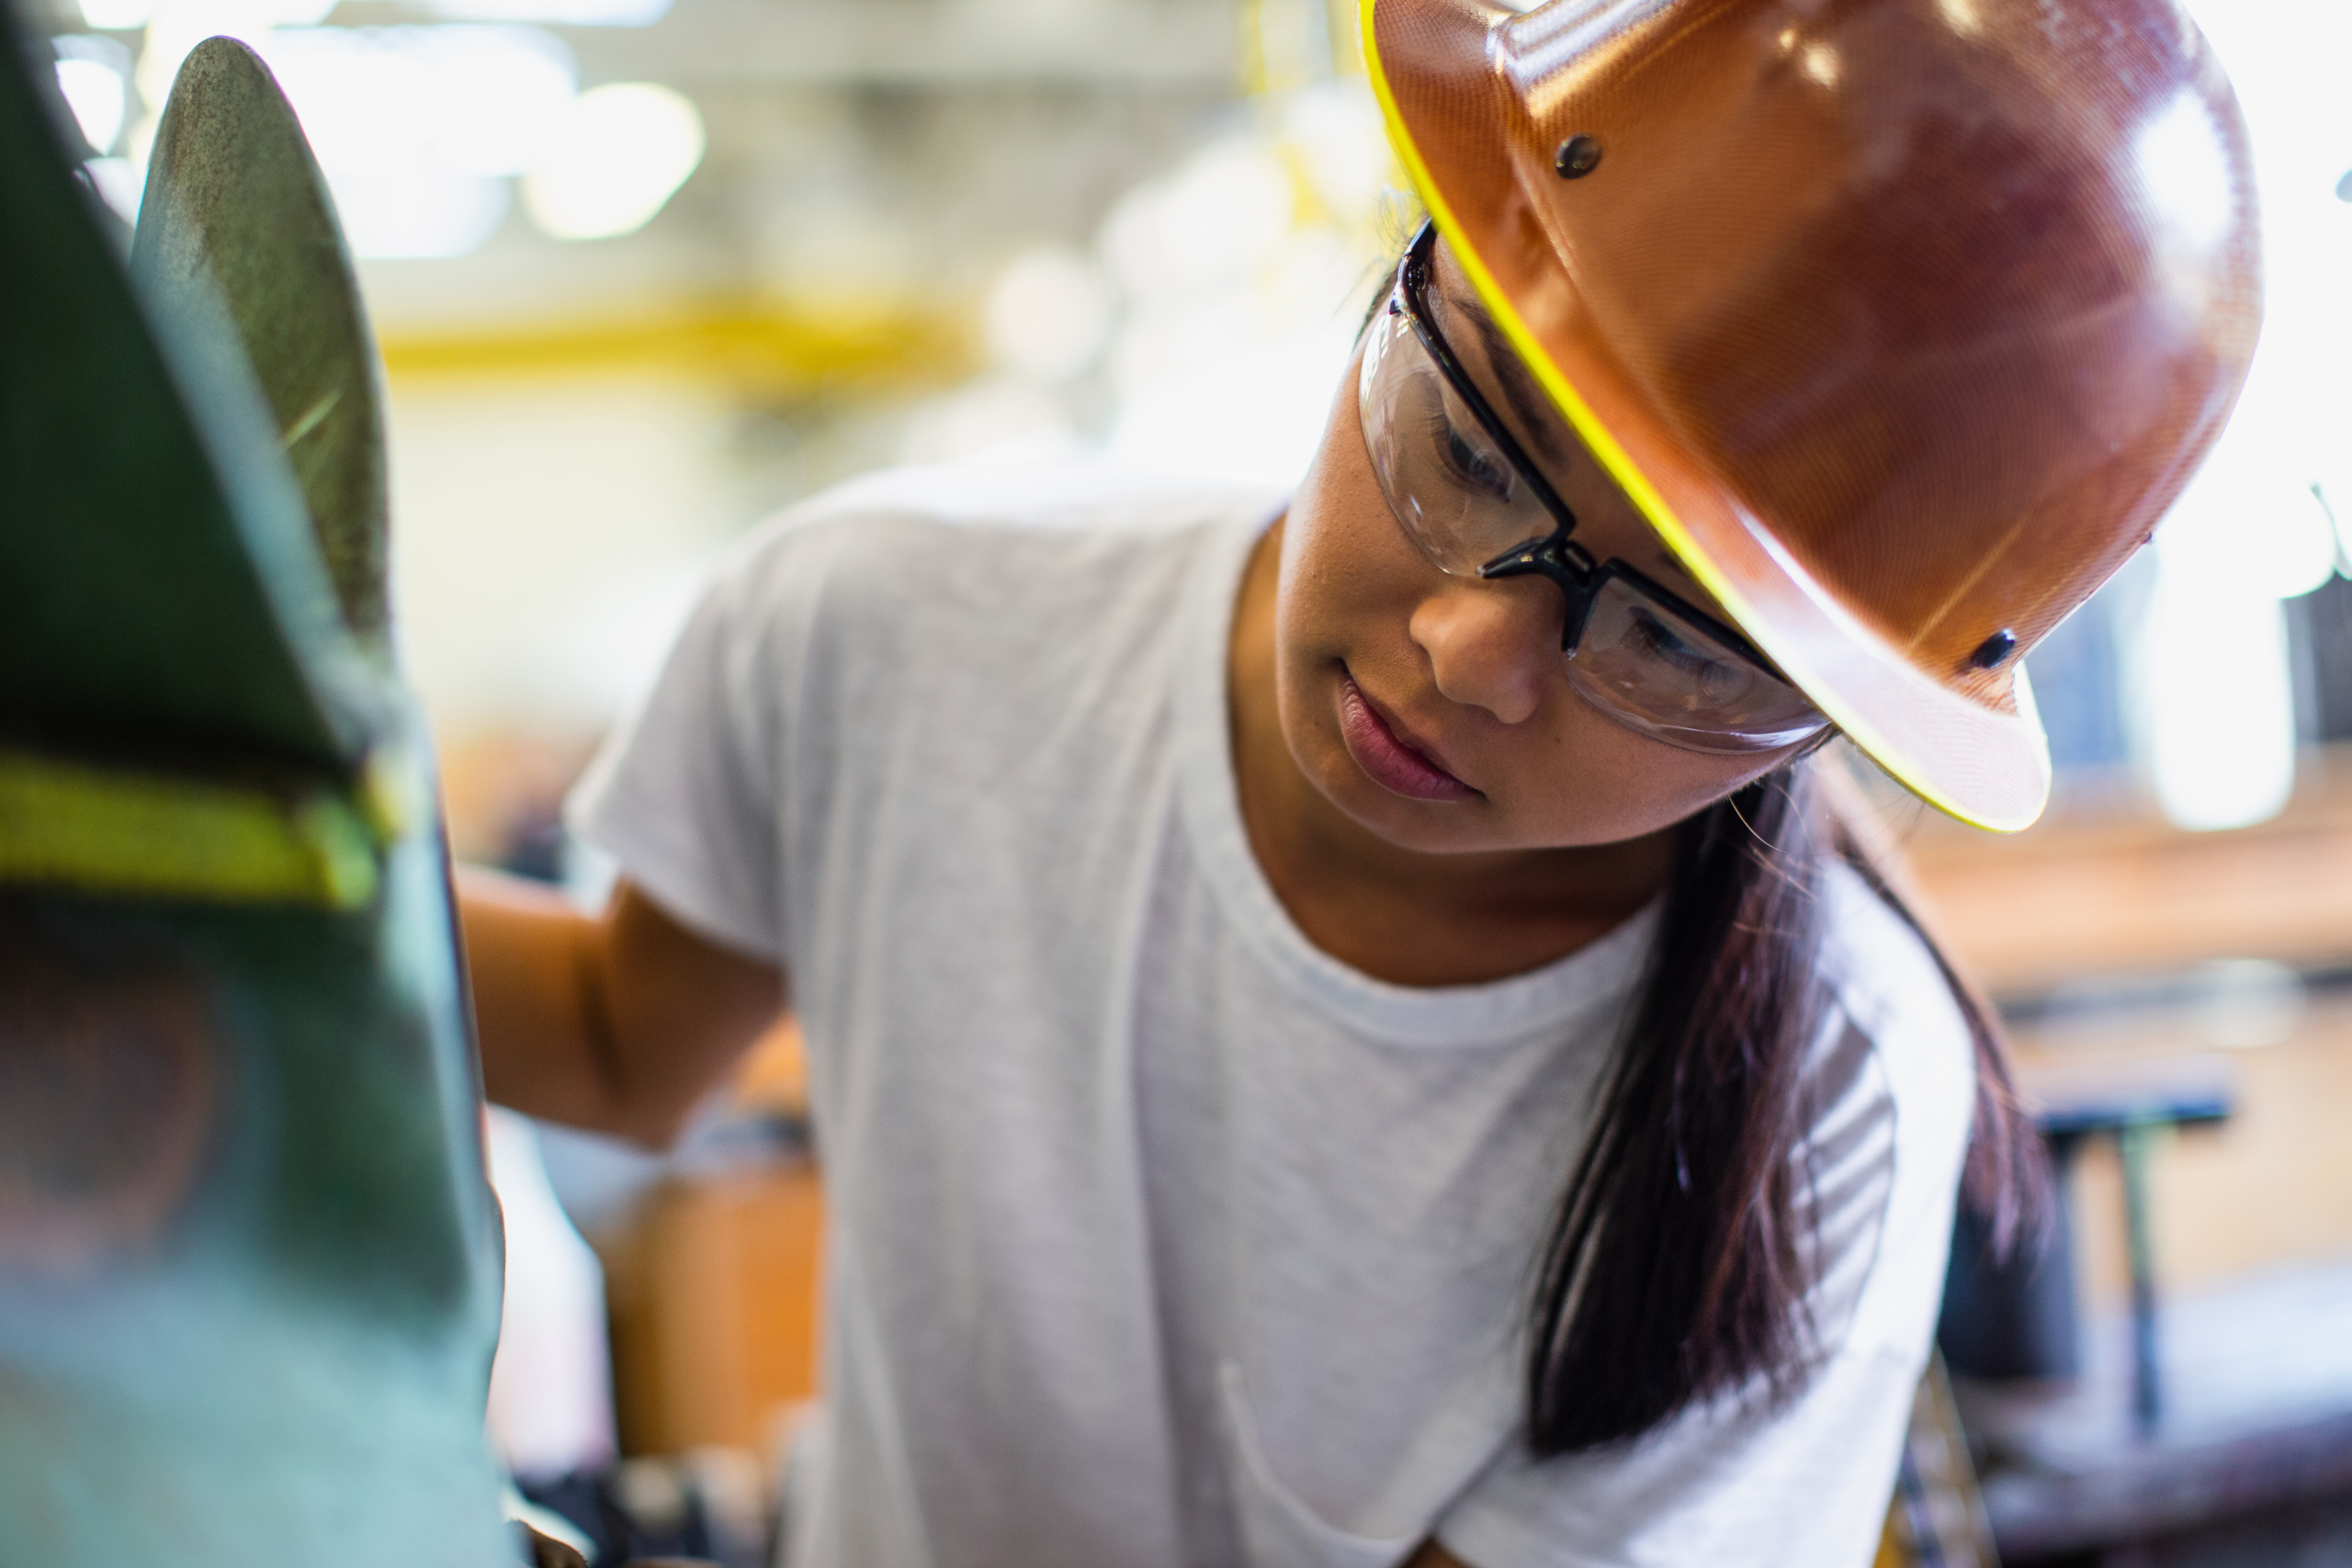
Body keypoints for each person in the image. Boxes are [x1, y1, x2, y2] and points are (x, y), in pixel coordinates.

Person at [460, 0, 2260, 1562]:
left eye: (1680, 642)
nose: (1469, 651)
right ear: (1402, 283)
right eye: (1472, 439)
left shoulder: (1821, 1101)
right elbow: (624, 1037)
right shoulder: (887, 617)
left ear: (1820, 718)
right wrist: (245, 832)